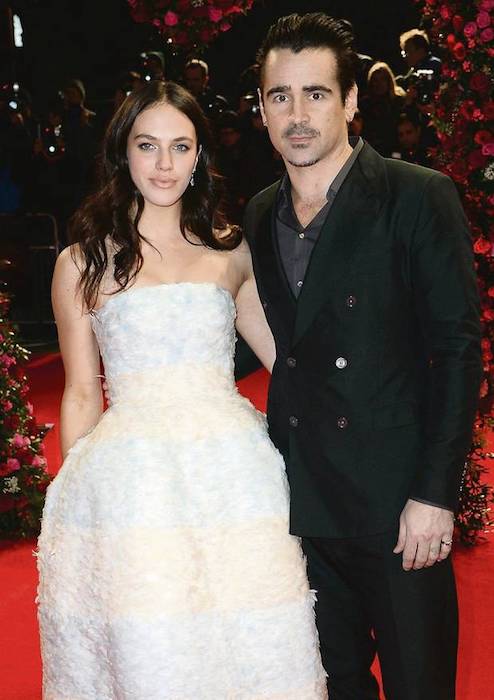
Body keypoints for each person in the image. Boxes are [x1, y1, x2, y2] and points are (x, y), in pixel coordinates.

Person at [36, 79, 327, 699]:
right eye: (148, 146)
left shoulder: (230, 252)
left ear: (200, 157)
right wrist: (72, 503)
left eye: (181, 146)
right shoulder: (82, 262)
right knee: (153, 634)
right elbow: (82, 391)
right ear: (123, 153)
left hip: (233, 475)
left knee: (250, 629)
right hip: (133, 482)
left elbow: (288, 361)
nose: (165, 165)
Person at [243, 13, 481, 699]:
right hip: (305, 501)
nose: (297, 115)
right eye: (279, 97)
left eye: (316, 94)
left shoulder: (416, 195)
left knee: (418, 684)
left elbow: (458, 353)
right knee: (334, 684)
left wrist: (435, 494)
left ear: (350, 101)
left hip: (397, 505)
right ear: (261, 110)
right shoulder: (261, 214)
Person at [359, 61, 405, 157]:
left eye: (382, 79)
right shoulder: (365, 104)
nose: (378, 84)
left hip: (396, 147)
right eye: (375, 80)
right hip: (372, 148)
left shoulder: (398, 100)